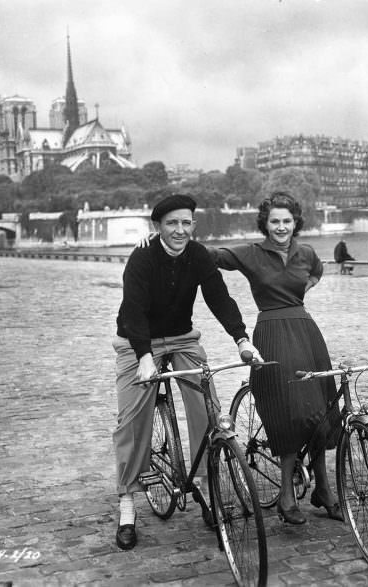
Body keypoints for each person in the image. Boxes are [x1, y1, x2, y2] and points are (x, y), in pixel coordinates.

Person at [112, 194, 260, 550]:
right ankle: (128, 500)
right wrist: (144, 355)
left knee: (206, 408)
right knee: (132, 417)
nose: (179, 230)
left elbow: (219, 297)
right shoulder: (142, 256)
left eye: (185, 223)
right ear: (158, 227)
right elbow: (132, 309)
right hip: (138, 339)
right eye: (171, 224)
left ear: (193, 225)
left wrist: (242, 338)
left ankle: (209, 488)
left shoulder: (198, 256)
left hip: (181, 338)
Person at [212, 192, 342, 525]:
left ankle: (323, 489)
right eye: (274, 221)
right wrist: (172, 241)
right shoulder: (252, 254)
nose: (281, 227)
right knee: (291, 414)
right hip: (271, 332)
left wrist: (304, 290)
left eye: (287, 221)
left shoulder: (307, 252)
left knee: (321, 411)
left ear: (295, 222)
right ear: (265, 224)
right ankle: (286, 496)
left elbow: (317, 270)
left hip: (307, 332)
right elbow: (213, 255)